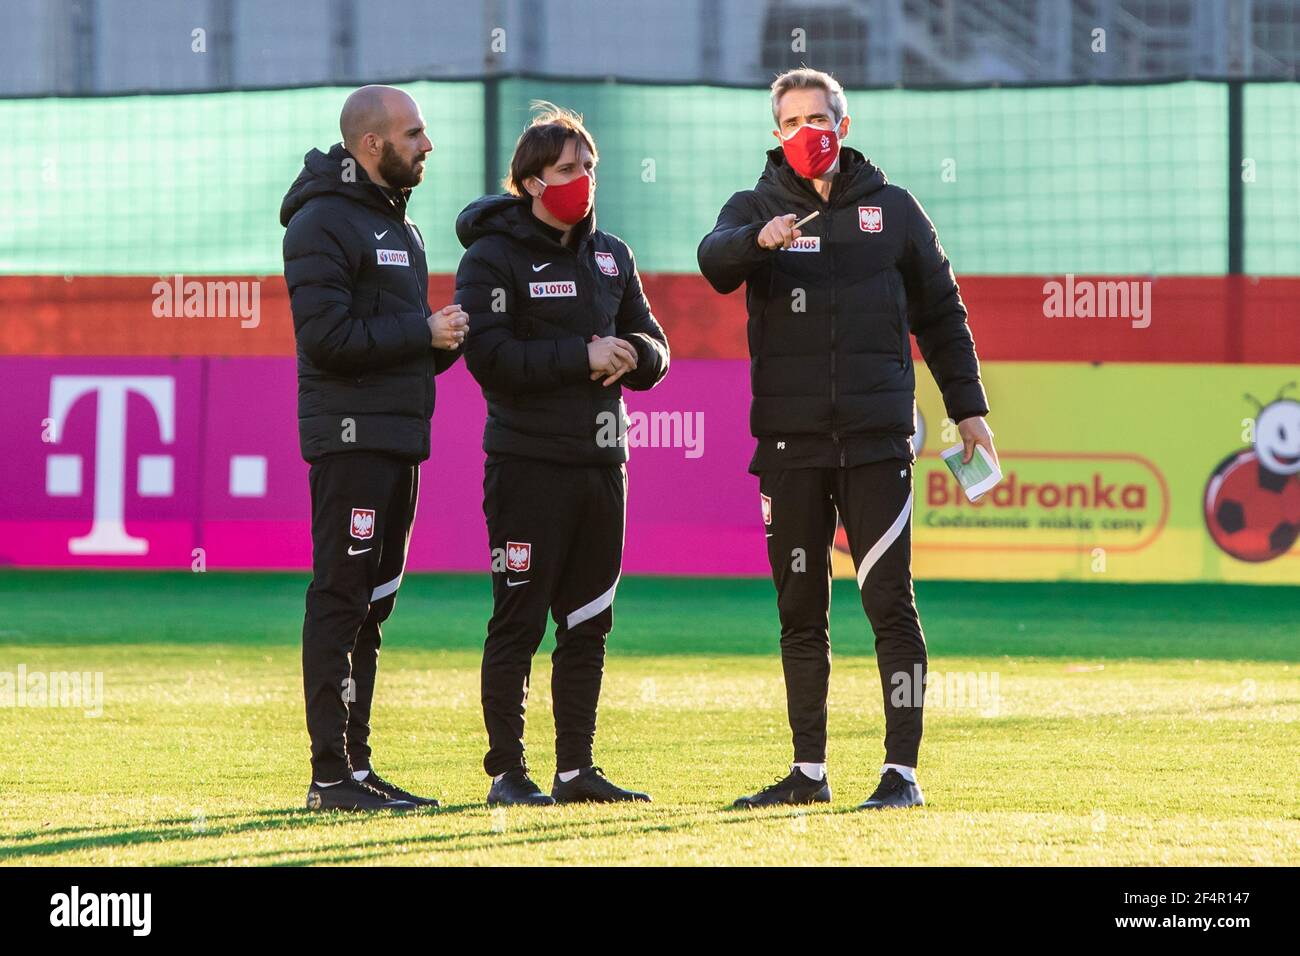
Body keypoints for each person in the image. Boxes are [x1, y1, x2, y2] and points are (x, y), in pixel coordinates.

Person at [697, 68, 997, 810]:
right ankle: (808, 773)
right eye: (793, 122)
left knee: (889, 604)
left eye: (819, 119)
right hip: (790, 448)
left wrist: (969, 409)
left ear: (845, 123)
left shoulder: (893, 211)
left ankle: (902, 774)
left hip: (875, 442)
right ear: (776, 134)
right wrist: (752, 241)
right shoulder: (755, 207)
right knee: (801, 613)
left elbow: (943, 314)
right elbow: (712, 258)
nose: (808, 133)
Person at [455, 102, 670, 806]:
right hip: (526, 465)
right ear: (530, 182)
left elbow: (656, 348)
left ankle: (576, 770)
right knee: (517, 619)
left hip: (605, 464)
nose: (583, 180)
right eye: (568, 170)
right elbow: (488, 357)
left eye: (590, 168)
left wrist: (633, 353)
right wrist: (580, 354)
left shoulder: (612, 254)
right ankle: (507, 775)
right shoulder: (492, 255)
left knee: (589, 621)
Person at [281, 85, 468, 812]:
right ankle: (329, 778)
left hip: (397, 440)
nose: (427, 145)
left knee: (373, 606)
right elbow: (325, 341)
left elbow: (396, 350)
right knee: (341, 599)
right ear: (371, 145)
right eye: (414, 133)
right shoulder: (322, 221)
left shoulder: (403, 228)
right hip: (351, 441)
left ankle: (357, 769)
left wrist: (447, 338)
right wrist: (422, 333)